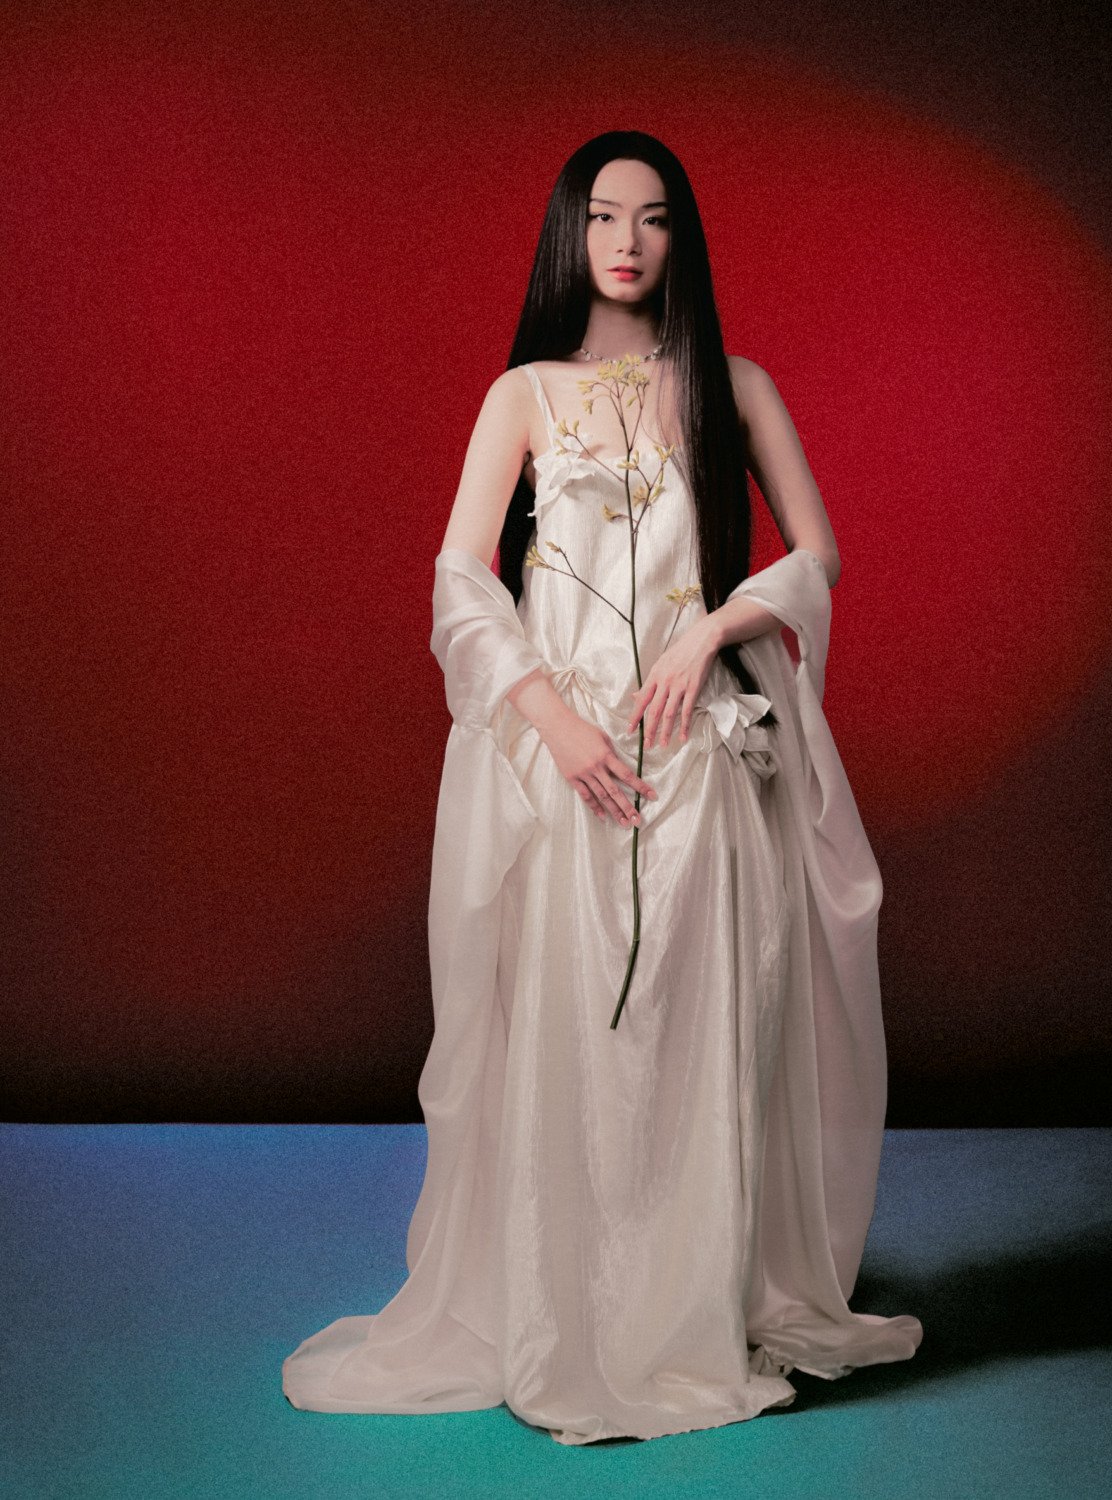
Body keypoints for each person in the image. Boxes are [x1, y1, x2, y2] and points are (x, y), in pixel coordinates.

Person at [282, 130, 922, 1445]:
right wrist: (552, 723)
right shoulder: (524, 393)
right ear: (569, 234)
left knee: (697, 1040)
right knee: (580, 1041)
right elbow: (461, 577)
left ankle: (689, 1314)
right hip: (573, 775)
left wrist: (710, 633)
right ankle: (569, 1311)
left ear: (683, 237)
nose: (627, 241)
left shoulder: (734, 387)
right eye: (602, 216)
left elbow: (818, 555)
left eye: (654, 217)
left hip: (701, 770)